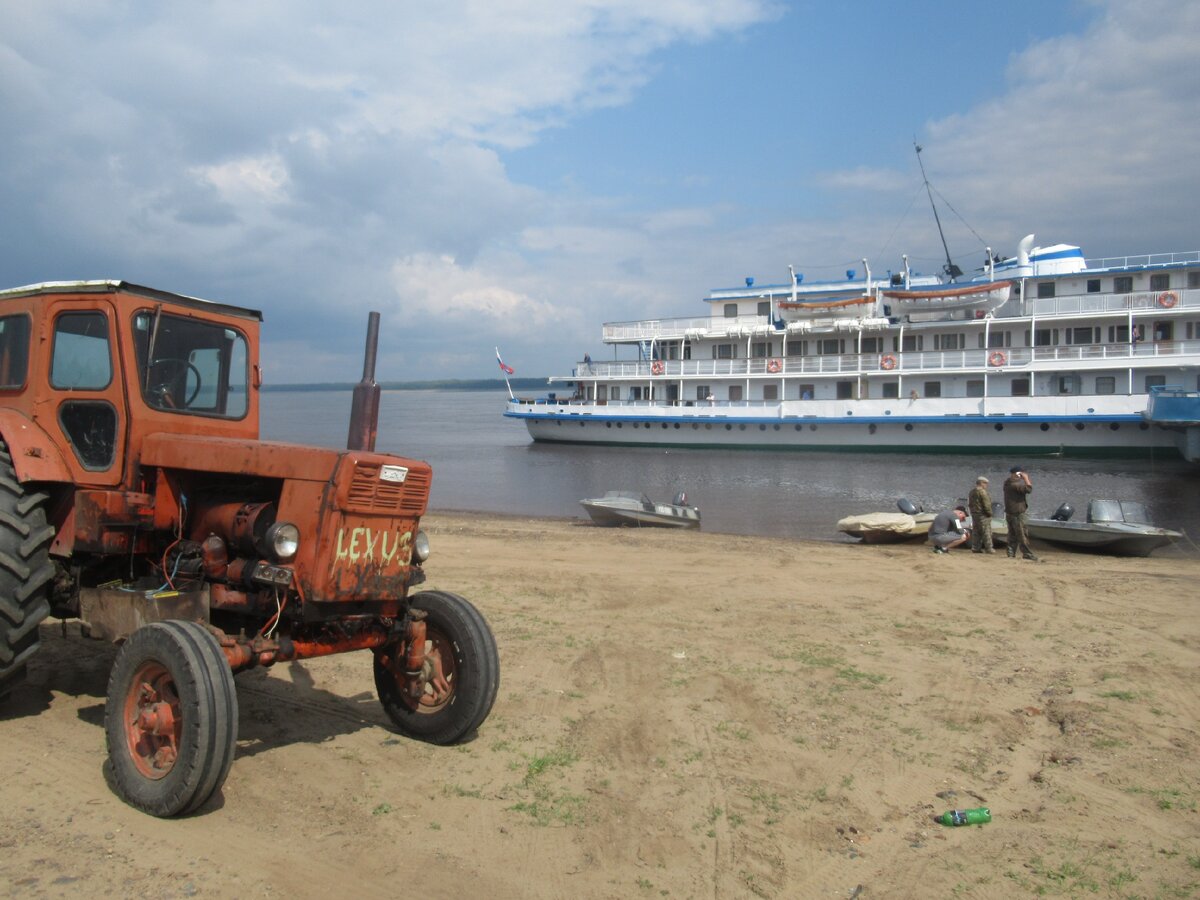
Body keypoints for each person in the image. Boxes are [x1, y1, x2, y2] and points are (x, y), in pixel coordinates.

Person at [1003, 465, 1038, 561]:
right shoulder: (1015, 485)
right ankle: (1027, 553)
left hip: (1010, 513)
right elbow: (1029, 489)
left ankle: (1010, 553)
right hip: (1017, 513)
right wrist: (1026, 478)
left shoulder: (1007, 483)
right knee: (1022, 534)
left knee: (1012, 534)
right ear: (1017, 474)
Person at [967, 475, 995, 554]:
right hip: (983, 514)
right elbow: (986, 505)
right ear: (981, 483)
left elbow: (970, 504)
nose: (986, 485)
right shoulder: (982, 492)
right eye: (985, 483)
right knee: (986, 531)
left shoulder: (972, 492)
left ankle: (975, 547)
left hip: (974, 514)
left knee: (976, 531)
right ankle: (989, 548)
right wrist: (989, 513)